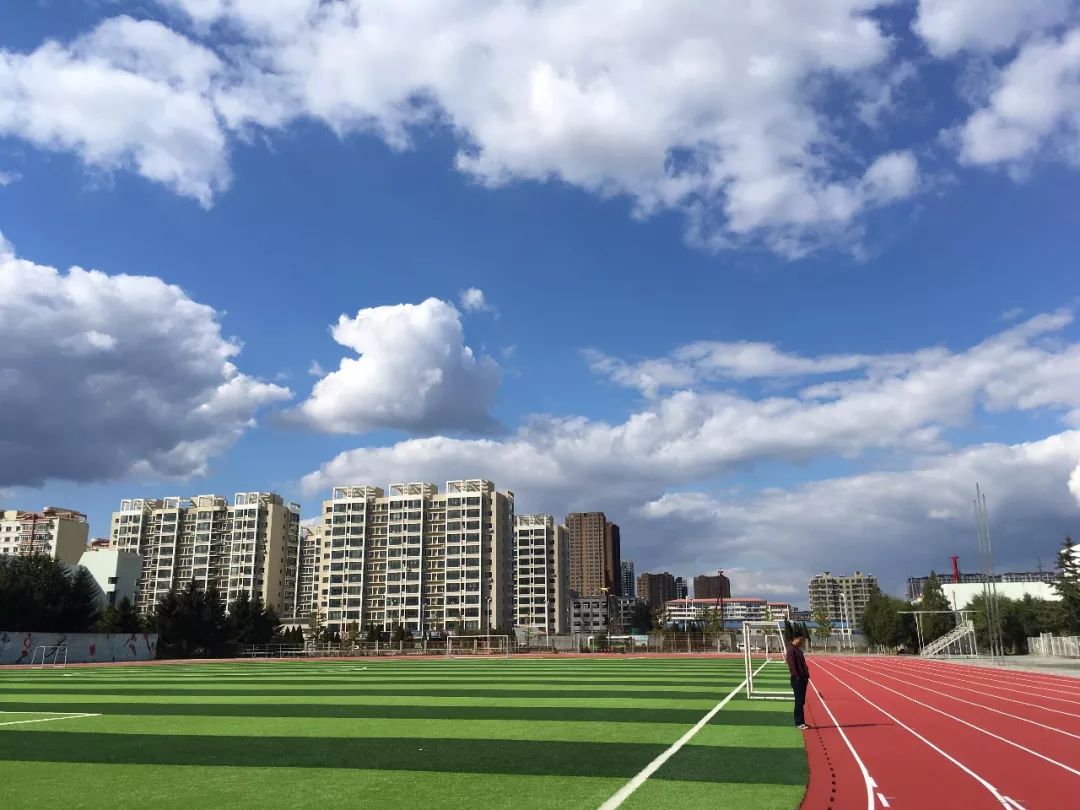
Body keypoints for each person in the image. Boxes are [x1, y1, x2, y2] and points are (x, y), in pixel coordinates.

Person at [785, 632, 811, 729]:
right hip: (797, 679)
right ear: (795, 639)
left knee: (801, 701)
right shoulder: (791, 650)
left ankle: (801, 722)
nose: (801, 642)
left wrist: (806, 675)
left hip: (802, 678)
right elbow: (792, 665)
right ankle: (799, 722)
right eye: (800, 640)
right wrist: (798, 676)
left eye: (802, 640)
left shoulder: (797, 650)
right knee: (799, 701)